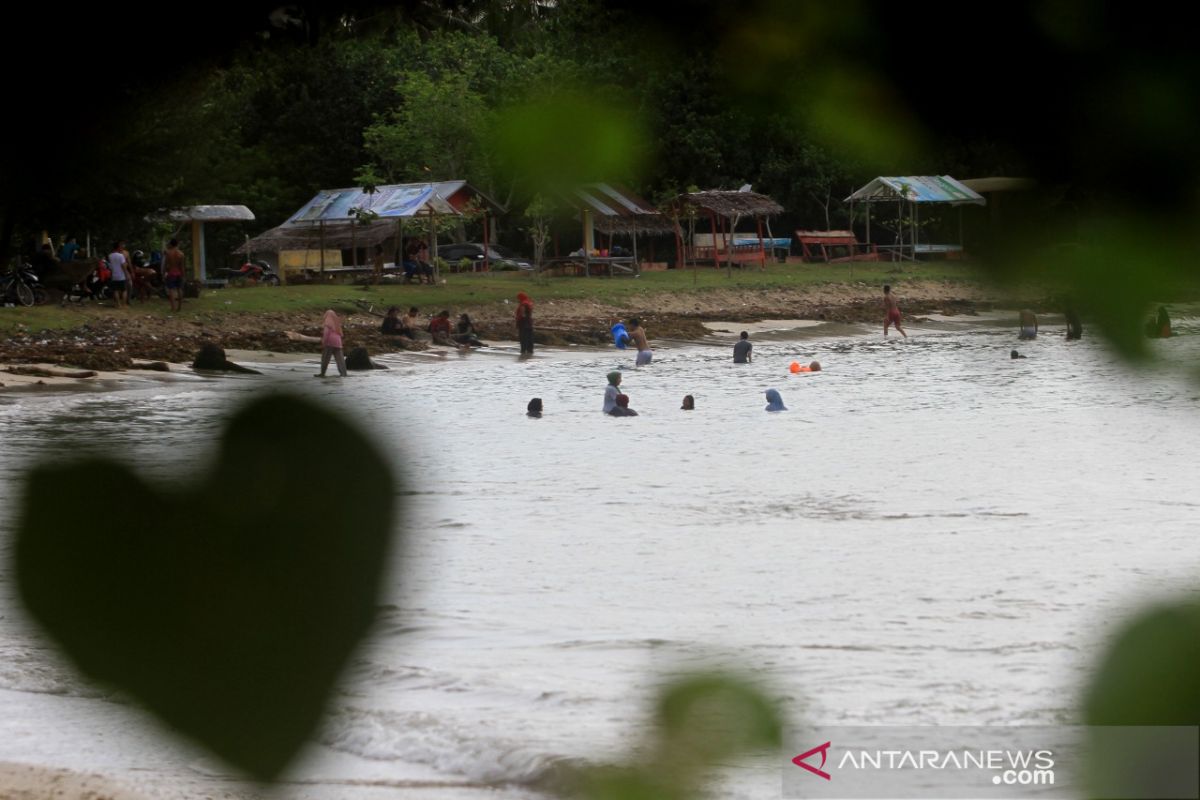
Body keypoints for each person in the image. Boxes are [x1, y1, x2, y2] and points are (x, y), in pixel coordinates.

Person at [317, 309, 348, 377]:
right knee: (340, 360)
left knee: (325, 358)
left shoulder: (328, 323)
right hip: (338, 343)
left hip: (330, 342)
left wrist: (323, 342)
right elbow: (340, 334)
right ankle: (343, 373)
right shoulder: (336, 324)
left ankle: (322, 373)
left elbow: (326, 334)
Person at [162, 238, 185, 312]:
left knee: (171, 290)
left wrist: (163, 273)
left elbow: (165, 265)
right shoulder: (181, 254)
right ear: (177, 244)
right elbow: (182, 266)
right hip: (179, 273)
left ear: (171, 244)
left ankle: (173, 307)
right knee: (179, 289)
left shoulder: (168, 253)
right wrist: (183, 275)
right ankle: (180, 307)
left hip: (171, 273)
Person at [107, 241, 130, 307]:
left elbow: (110, 266)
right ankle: (124, 304)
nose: (121, 248)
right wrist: (127, 274)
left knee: (116, 290)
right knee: (124, 290)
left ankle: (118, 304)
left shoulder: (110, 255)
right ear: (118, 247)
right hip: (121, 275)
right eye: (120, 247)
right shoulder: (121, 256)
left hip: (114, 275)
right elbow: (123, 266)